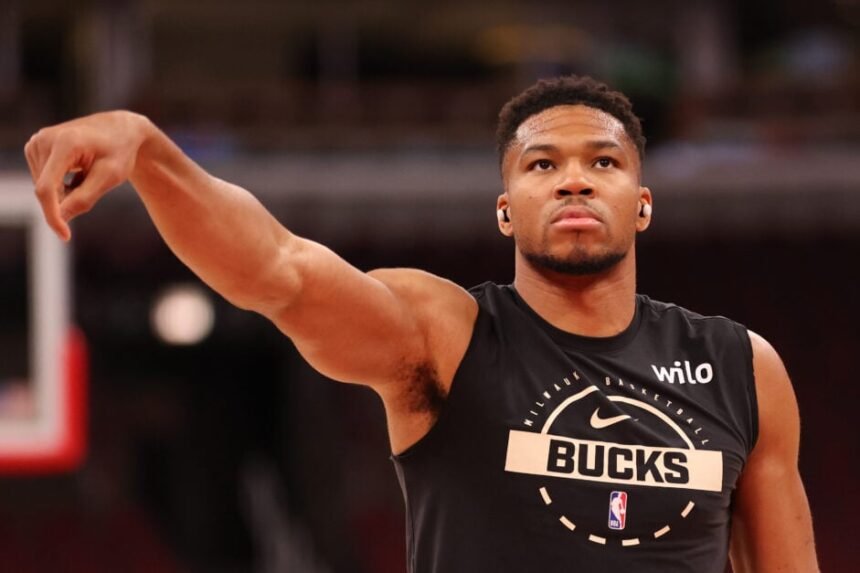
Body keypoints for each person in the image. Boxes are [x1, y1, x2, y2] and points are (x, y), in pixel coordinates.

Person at [24, 75, 818, 572]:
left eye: (603, 162)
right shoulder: (446, 334)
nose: (574, 179)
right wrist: (153, 153)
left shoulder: (741, 366)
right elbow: (277, 269)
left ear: (641, 203)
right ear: (506, 211)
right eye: (542, 164)